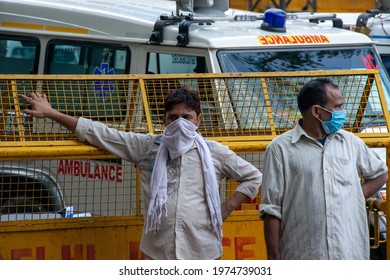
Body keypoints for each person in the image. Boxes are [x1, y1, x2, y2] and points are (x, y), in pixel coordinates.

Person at [19, 86, 262, 260]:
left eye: (187, 117)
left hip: (203, 251)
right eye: (173, 117)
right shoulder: (147, 147)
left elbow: (253, 176)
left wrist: (226, 208)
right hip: (158, 252)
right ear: (164, 120)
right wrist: (52, 114)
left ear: (199, 120)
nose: (180, 123)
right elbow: (101, 133)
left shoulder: (214, 152)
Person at [259, 78, 388, 260]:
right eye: (337, 107)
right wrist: (274, 259)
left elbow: (380, 174)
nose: (342, 112)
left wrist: (353, 196)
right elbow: (271, 210)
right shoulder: (280, 149)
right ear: (317, 111)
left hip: (348, 255)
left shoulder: (351, 142)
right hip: (303, 257)